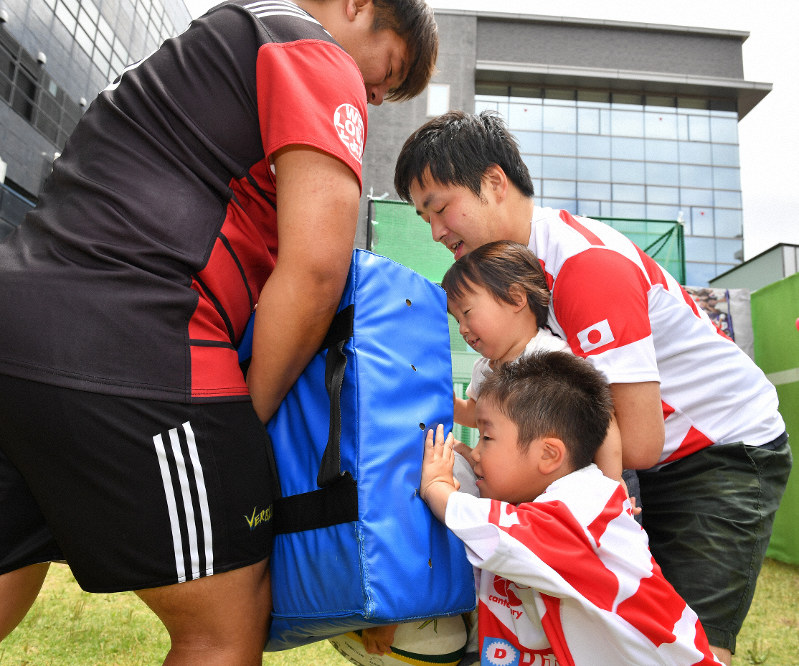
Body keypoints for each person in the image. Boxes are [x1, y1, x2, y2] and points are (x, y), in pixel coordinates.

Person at [0, 0, 437, 662]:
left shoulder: (218, 37)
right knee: (226, 626)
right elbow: (318, 268)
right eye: (388, 72)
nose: (375, 94)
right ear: (358, 6)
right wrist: (243, 420)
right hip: (135, 339)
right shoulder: (311, 48)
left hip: (20, 321)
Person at [394, 110, 792, 664]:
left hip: (721, 446)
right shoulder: (513, 278)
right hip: (646, 453)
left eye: (438, 207)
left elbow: (639, 442)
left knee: (680, 639)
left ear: (493, 183)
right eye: (424, 218)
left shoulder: (585, 269)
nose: (435, 231)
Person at [420, 352, 721, 665]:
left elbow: (499, 533)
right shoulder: (553, 501)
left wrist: (438, 489)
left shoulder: (582, 508)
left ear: (549, 455)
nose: (478, 452)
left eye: (487, 437)